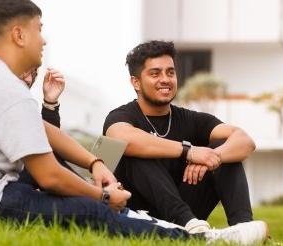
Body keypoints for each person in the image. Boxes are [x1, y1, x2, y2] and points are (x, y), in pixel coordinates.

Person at [0, 0, 188, 239]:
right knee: (90, 210)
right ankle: (186, 237)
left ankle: (136, 217)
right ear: (19, 35)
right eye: (39, 29)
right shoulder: (4, 87)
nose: (44, 40)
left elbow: (43, 130)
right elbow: (49, 176)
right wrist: (103, 198)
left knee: (63, 185)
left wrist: (96, 162)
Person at [103, 40, 268, 244]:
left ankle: (245, 229)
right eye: (155, 74)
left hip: (189, 211)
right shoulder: (121, 116)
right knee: (138, 149)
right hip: (140, 217)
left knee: (223, 148)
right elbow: (121, 137)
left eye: (170, 72)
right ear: (136, 82)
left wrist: (210, 157)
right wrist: (188, 152)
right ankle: (188, 223)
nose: (165, 79)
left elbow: (244, 141)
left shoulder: (191, 119)